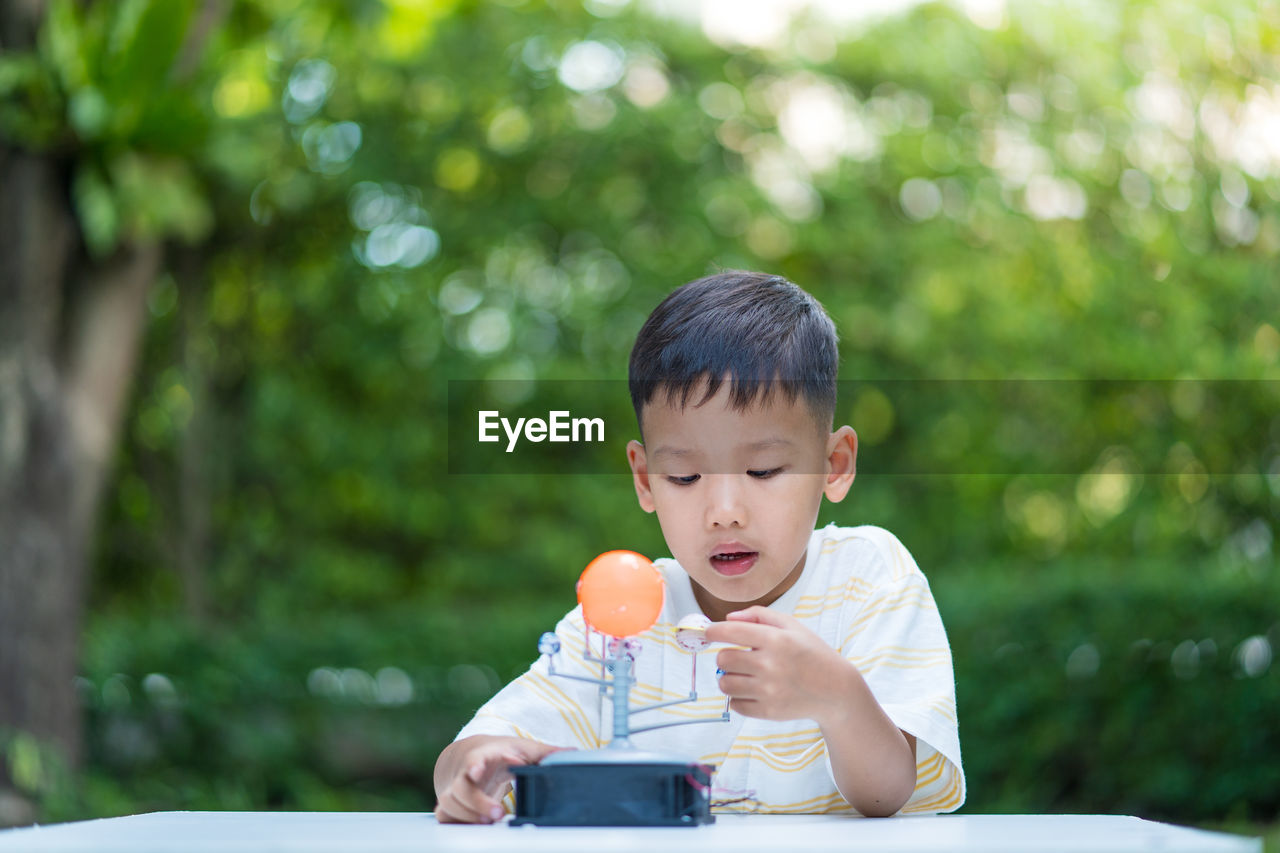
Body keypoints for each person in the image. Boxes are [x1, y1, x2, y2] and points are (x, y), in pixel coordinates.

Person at [433, 271, 964, 823]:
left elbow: (888, 794)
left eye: (763, 469)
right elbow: (475, 750)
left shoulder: (868, 578)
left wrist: (838, 700)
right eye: (685, 477)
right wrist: (473, 767)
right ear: (644, 479)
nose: (724, 510)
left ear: (834, 465)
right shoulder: (623, 612)